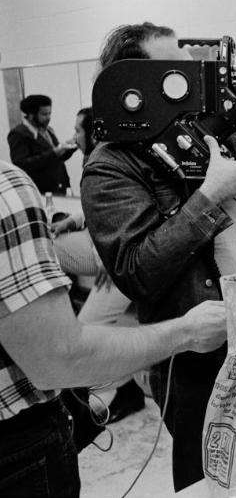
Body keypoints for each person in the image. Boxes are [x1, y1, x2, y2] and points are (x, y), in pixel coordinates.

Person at [81, 22, 236, 491]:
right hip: (203, 362)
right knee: (210, 479)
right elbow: (136, 271)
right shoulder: (111, 166)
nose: (194, 82)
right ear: (137, 85)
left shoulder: (213, 139)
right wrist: (208, 197)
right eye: (177, 72)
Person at [0, 160, 226, 498]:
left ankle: (123, 389)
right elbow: (62, 357)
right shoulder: (7, 188)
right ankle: (123, 388)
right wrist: (188, 332)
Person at [51, 107, 145, 425]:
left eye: (78, 130)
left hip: (122, 261)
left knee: (87, 331)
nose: (74, 136)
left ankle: (124, 390)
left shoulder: (111, 160)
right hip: (112, 255)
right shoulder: (98, 160)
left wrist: (108, 253)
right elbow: (97, 207)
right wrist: (73, 220)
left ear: (92, 132)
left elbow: (125, 211)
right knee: (52, 246)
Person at [7, 94, 77, 195]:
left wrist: (71, 146)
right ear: (31, 115)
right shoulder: (19, 133)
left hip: (60, 187)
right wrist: (54, 152)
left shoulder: (48, 130)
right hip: (40, 192)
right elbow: (21, 164)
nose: (48, 118)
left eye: (49, 113)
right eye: (44, 114)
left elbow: (57, 159)